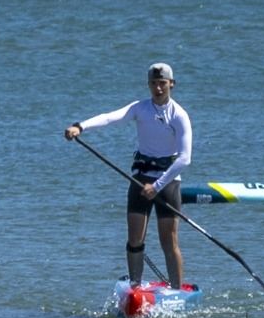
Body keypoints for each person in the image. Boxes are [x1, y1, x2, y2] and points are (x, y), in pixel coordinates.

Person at [64, 62, 192, 289]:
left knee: (168, 242)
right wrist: (80, 126)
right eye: (153, 84)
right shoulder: (140, 108)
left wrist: (158, 186)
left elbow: (184, 159)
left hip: (168, 181)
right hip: (140, 178)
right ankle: (135, 287)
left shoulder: (179, 115)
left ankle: (177, 291)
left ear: (172, 84)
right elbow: (109, 117)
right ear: (149, 85)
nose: (158, 88)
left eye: (162, 83)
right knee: (135, 238)